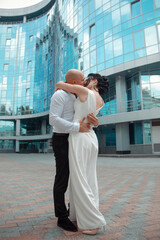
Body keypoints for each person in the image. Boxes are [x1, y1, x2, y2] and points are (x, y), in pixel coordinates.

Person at [56, 73, 109, 235]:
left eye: (88, 78)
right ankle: (81, 216)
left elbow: (60, 84)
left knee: (79, 180)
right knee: (88, 178)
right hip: (91, 138)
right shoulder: (101, 100)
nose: (84, 80)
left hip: (79, 138)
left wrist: (65, 81)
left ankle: (92, 222)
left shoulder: (84, 91)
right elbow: (92, 118)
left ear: (94, 81)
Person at [49, 69, 98, 232]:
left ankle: (73, 212)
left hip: (75, 139)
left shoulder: (76, 94)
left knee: (77, 177)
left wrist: (94, 122)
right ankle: (61, 218)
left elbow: (85, 114)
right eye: (82, 78)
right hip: (62, 139)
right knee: (62, 178)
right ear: (75, 82)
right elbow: (53, 119)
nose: (85, 81)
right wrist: (77, 127)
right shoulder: (59, 95)